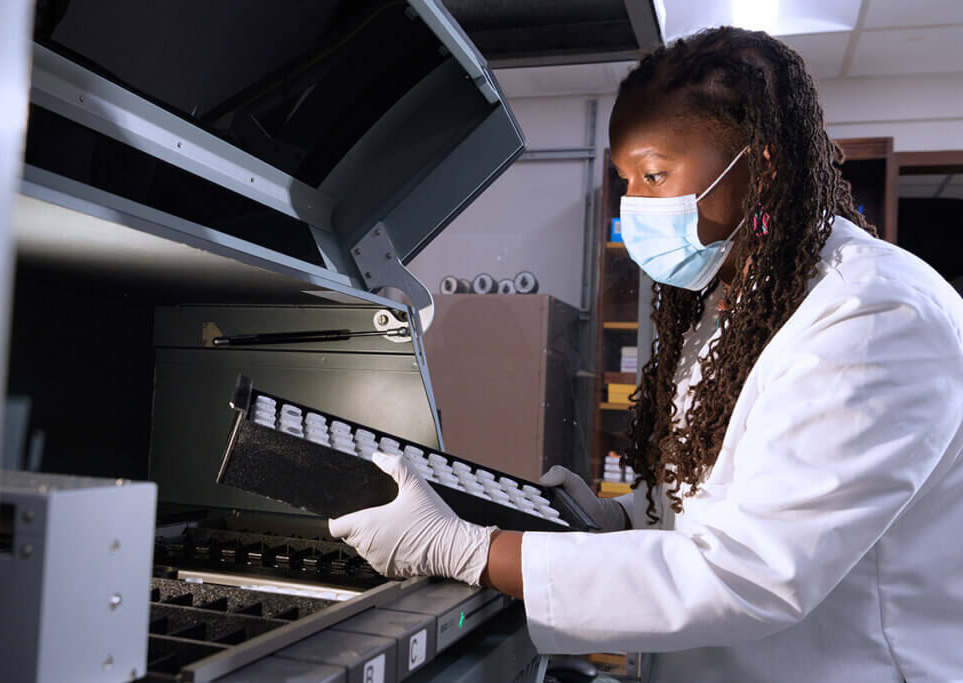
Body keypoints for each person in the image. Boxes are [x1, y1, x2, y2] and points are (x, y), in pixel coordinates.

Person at [329, 27, 963, 682]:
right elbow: (715, 505)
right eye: (627, 180)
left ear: (763, 166)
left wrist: (470, 550)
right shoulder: (738, 307)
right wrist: (618, 518)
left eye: (655, 175)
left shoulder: (873, 318)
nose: (635, 206)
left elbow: (752, 571)